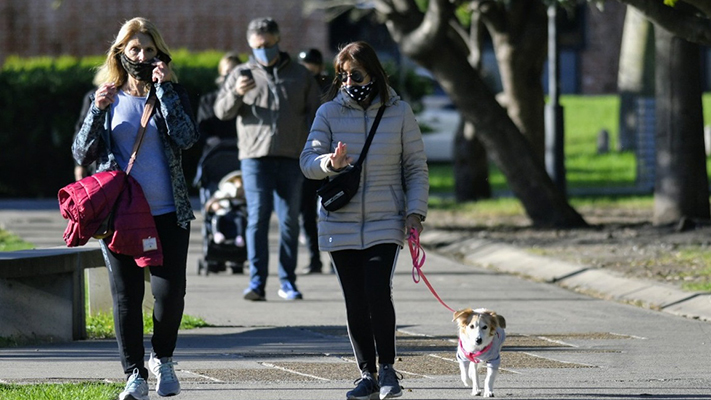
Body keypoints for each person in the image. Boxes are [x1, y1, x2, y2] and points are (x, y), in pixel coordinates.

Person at [72, 17, 199, 400]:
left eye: (148, 49)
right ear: (120, 53)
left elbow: (187, 138)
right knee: (126, 296)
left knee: (169, 293)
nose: (141, 56)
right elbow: (81, 152)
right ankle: (134, 374)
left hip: (167, 211)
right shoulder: (104, 96)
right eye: (134, 49)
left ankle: (163, 358)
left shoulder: (173, 92)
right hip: (121, 214)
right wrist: (97, 110)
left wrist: (166, 94)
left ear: (160, 54)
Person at [300, 41, 429, 400]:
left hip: (386, 217)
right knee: (354, 299)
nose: (348, 82)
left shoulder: (399, 113)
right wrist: (330, 163)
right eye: (342, 76)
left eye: (355, 74)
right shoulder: (327, 113)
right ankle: (367, 374)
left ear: (373, 72)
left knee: (376, 290)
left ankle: (388, 369)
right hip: (339, 219)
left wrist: (415, 212)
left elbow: (415, 168)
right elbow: (307, 162)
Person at [214, 17, 321, 301]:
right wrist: (237, 93)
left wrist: (313, 147)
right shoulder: (240, 73)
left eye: (268, 44)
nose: (263, 50)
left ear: (277, 41)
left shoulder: (300, 75)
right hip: (255, 158)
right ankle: (256, 283)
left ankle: (287, 281)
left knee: (289, 222)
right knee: (258, 218)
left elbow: (317, 114)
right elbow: (221, 111)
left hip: (291, 158)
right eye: (257, 46)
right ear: (250, 45)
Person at [297, 48, 330, 274]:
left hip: (328, 154)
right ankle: (314, 257)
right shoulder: (296, 87)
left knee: (329, 208)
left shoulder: (329, 88)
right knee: (306, 211)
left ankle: (334, 257)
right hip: (305, 155)